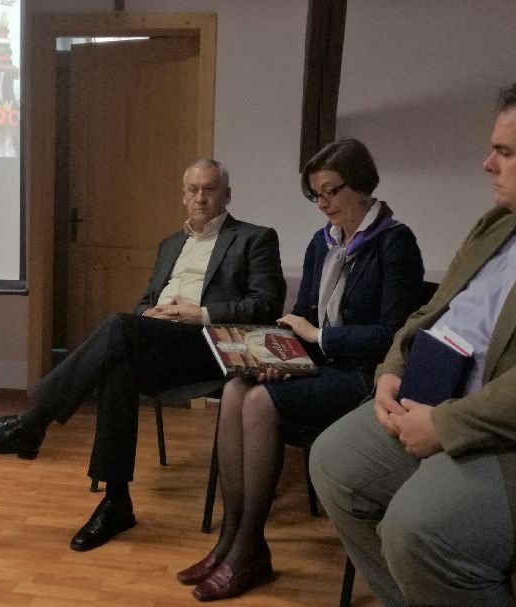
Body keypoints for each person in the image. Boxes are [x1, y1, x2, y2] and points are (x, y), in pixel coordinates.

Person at [310, 72, 516, 606]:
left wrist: (447, 425)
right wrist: (392, 368)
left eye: (504, 152)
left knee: (419, 528)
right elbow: (432, 310)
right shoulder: (502, 220)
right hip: (440, 397)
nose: (487, 164)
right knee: (333, 461)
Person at [0, 158, 286, 551]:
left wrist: (198, 313)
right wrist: (149, 315)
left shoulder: (254, 238)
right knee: (120, 368)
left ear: (227, 195)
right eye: (193, 190)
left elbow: (265, 305)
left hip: (213, 347)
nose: (201, 197)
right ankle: (116, 502)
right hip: (164, 342)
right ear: (183, 196)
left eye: (210, 189)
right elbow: (145, 303)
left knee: (117, 325)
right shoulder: (170, 244)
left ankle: (31, 424)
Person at [179, 139, 426, 601]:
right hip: (322, 366)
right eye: (316, 195)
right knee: (237, 388)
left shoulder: (395, 243)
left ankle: (250, 547)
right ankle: (231, 539)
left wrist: (318, 337)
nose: (323, 204)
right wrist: (279, 356)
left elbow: (393, 335)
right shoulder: (322, 242)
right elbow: (304, 315)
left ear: (362, 185)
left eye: (331, 191)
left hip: (365, 377)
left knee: (259, 402)